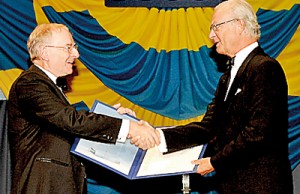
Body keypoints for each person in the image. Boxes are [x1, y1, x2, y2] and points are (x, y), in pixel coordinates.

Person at [133, 0, 294, 193]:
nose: (211, 35)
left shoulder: (265, 68)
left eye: (216, 27)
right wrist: (157, 135)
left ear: (240, 24)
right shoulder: (227, 78)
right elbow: (207, 127)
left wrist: (214, 162)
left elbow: (257, 133)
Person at [7, 23, 160, 194]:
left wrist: (112, 116)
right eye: (68, 47)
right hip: (44, 187)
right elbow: (70, 120)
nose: (76, 54)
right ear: (44, 52)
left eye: (74, 47)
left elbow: (68, 126)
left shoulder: (49, 87)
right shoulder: (30, 82)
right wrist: (128, 127)